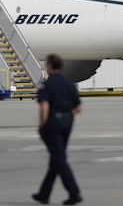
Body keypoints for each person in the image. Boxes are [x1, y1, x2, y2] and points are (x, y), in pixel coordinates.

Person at [32, 54, 83, 205]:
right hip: (68, 122)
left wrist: (43, 125)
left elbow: (44, 107)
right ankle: (44, 194)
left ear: (49, 66)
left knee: (59, 159)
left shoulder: (45, 85)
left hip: (53, 123)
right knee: (57, 157)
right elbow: (79, 108)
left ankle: (74, 193)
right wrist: (66, 116)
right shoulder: (70, 84)